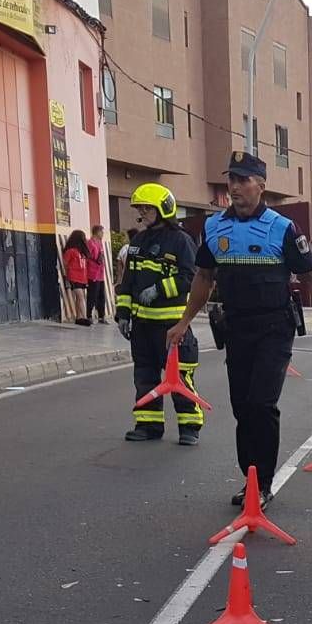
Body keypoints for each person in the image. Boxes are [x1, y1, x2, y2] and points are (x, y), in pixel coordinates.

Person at [167, 150, 312, 506]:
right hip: (236, 328)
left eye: (243, 180)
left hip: (274, 328)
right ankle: (249, 479)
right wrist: (184, 321)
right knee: (242, 408)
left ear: (261, 185)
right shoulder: (215, 228)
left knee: (262, 404)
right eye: (231, 179)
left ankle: (261, 485)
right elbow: (203, 277)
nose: (235, 187)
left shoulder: (282, 228)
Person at [116, 183, 202, 445]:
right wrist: (123, 313)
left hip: (172, 326)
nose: (142, 213)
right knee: (144, 376)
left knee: (180, 378)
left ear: (164, 208)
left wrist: (159, 289)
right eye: (140, 208)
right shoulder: (138, 242)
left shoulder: (181, 241)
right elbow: (128, 281)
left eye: (147, 208)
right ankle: (148, 424)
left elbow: (191, 277)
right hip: (142, 326)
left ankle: (190, 428)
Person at [61, 230, 91, 326]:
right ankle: (85, 317)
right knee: (81, 297)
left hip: (82, 277)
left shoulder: (81, 252)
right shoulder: (71, 251)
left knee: (80, 297)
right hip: (74, 277)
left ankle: (79, 317)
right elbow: (65, 263)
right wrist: (67, 275)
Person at [85, 224, 109, 322]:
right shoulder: (90, 243)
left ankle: (101, 316)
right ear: (97, 232)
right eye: (102, 232)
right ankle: (89, 315)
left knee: (101, 295)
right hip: (93, 273)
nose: (103, 234)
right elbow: (87, 256)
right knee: (92, 295)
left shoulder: (100, 243)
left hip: (100, 273)